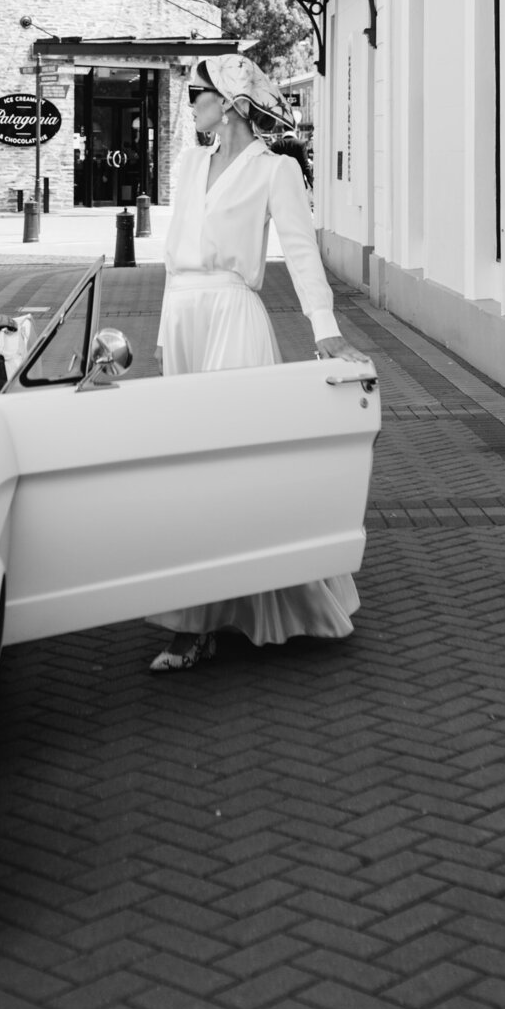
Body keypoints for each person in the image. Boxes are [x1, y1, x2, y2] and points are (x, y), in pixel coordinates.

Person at [149, 53, 369, 673]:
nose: (190, 102)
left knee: (225, 476)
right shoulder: (190, 163)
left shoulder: (275, 172)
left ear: (228, 102)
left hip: (233, 319)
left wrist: (325, 332)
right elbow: (174, 260)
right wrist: (168, 338)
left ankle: (198, 628)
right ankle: (202, 615)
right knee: (186, 474)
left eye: (198, 93)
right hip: (187, 320)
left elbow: (301, 255)